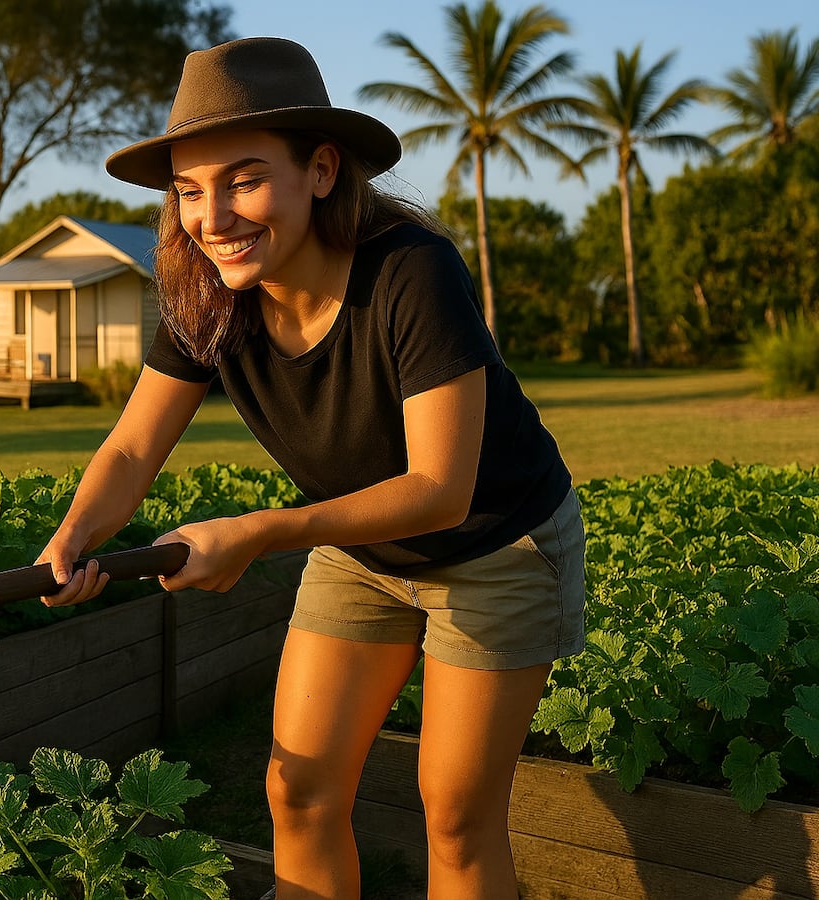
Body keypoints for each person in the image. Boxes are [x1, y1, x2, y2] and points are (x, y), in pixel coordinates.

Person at [36, 36, 585, 900]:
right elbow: (134, 446)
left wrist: (257, 532)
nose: (213, 218)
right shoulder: (205, 296)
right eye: (189, 191)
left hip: (497, 547)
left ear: (321, 170)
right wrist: (74, 536)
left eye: (244, 180)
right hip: (363, 551)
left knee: (455, 819)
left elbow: (439, 489)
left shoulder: (411, 270)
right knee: (298, 792)